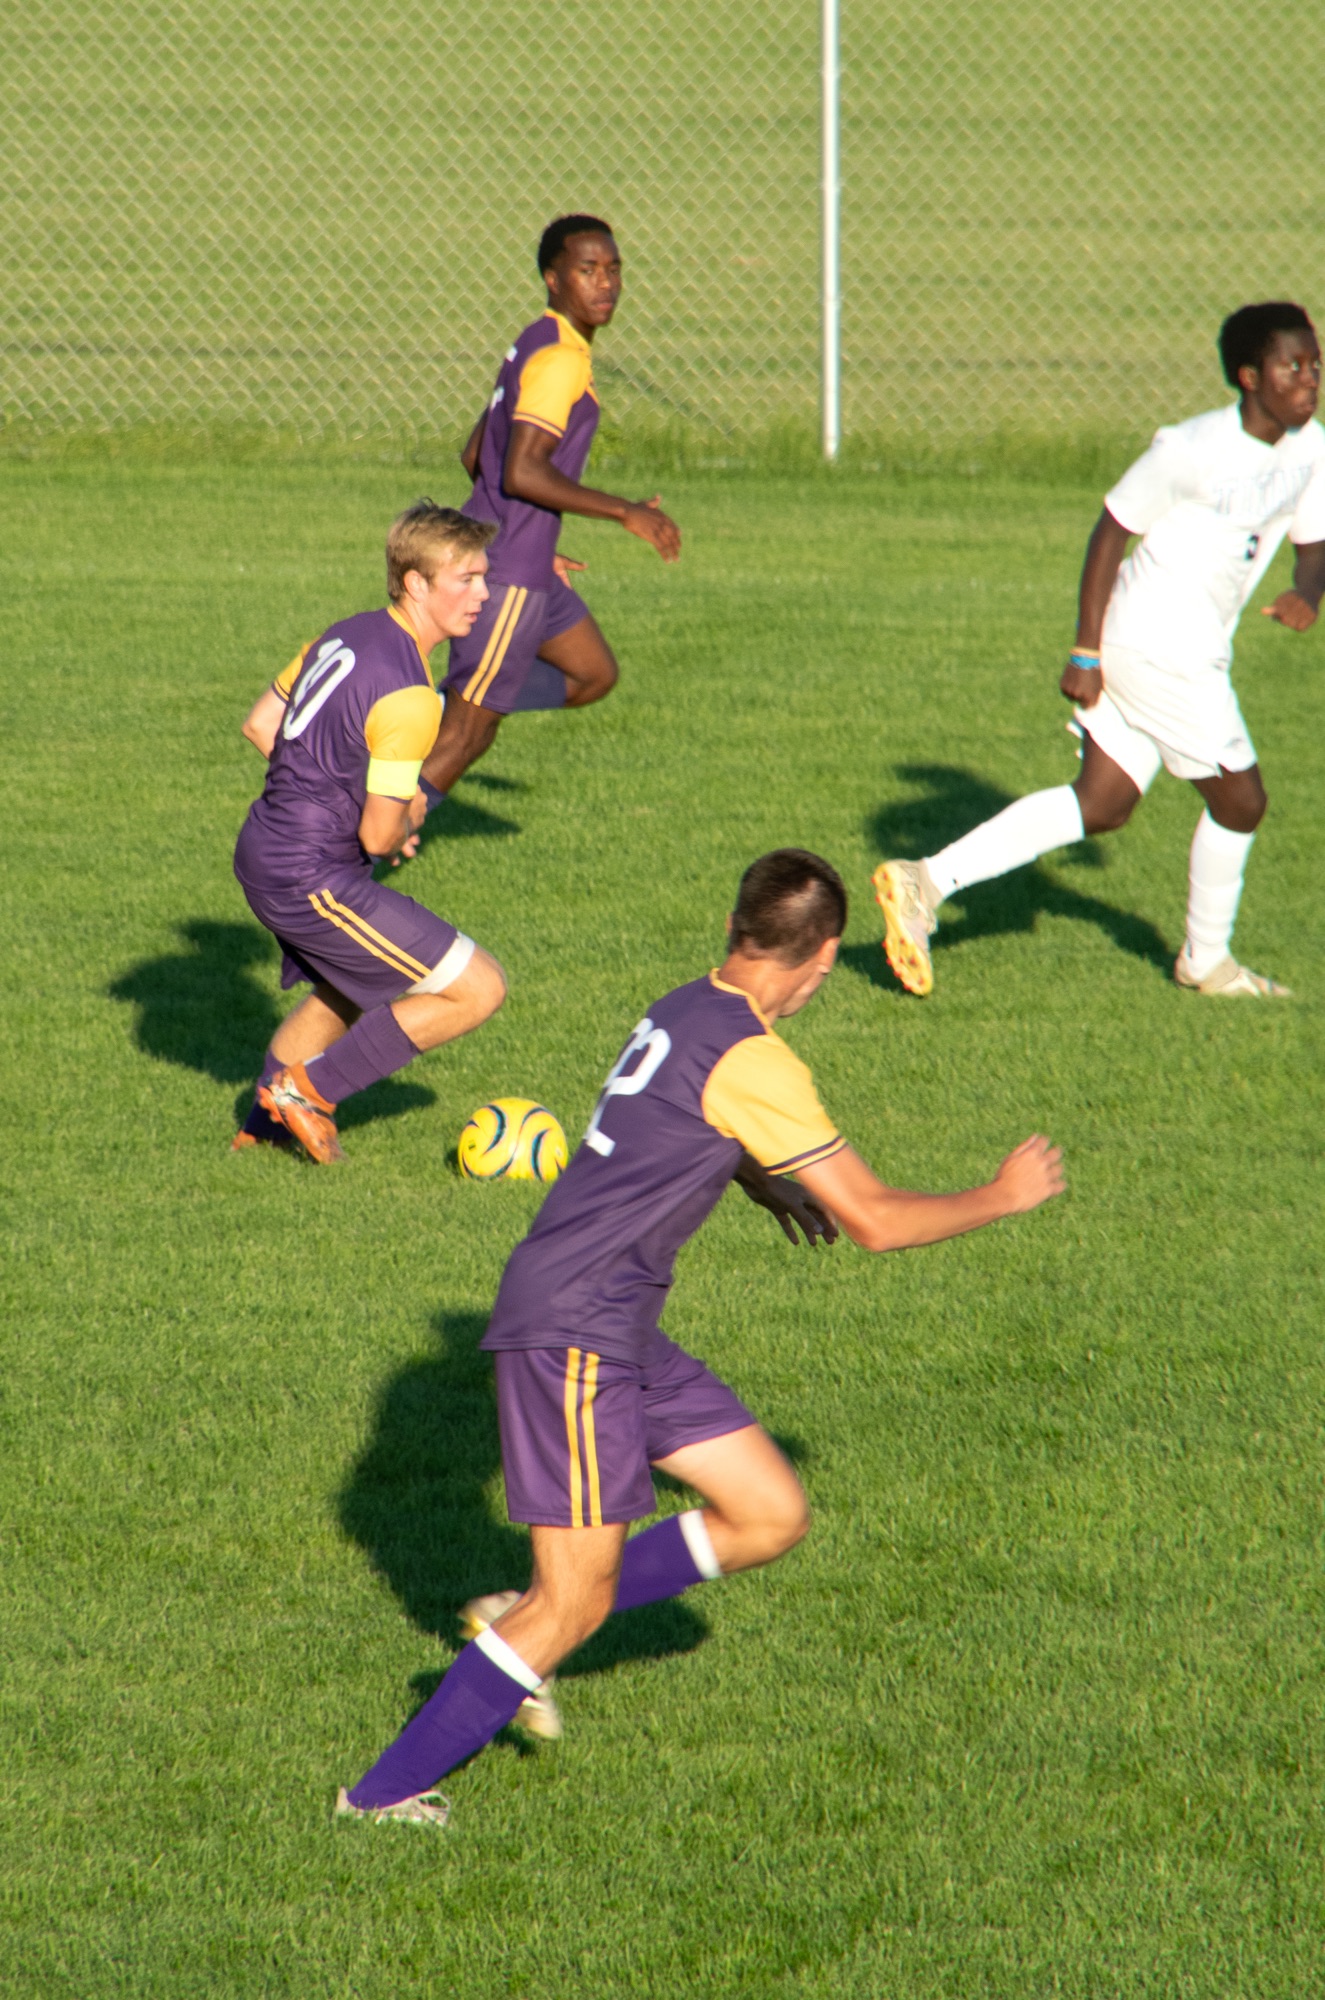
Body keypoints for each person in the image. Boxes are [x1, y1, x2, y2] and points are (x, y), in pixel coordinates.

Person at [336, 849, 1064, 1826]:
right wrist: (1001, 1194)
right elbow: (876, 1218)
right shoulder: (756, 1057)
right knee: (573, 1603)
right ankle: (380, 1792)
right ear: (818, 958)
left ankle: (516, 1620)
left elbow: (663, 1126)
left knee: (766, 1511)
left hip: (613, 1318)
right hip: (577, 1331)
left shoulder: (687, 1003)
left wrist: (758, 1177)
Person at [873, 301, 1325, 1000]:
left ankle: (923, 882)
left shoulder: (1309, 448)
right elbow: (1110, 531)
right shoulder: (1189, 449)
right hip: (1156, 645)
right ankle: (1206, 962)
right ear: (1247, 376)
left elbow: (1312, 542)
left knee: (1102, 802)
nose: (1308, 376)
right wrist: (1085, 651)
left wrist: (1307, 593)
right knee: (1241, 801)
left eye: (1313, 362)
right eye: (1290, 365)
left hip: (1188, 645)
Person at [231, 502, 507, 1162]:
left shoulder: (345, 633)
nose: (483, 594)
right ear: (416, 583)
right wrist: (403, 811)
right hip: (309, 875)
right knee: (478, 989)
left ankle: (265, 1130)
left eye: (483, 577)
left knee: (351, 984)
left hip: (266, 849)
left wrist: (334, 794)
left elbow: (263, 724)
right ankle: (307, 1092)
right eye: (465, 578)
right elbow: (382, 837)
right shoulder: (413, 696)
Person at [415, 213, 681, 820]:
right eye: (587, 270)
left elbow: (476, 453)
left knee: (593, 673)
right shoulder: (560, 360)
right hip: (503, 574)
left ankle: (463, 695)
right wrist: (624, 512)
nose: (605, 283)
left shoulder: (535, 340)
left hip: (518, 561)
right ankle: (352, 859)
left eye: (613, 270)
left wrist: (535, 541)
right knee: (465, 740)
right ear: (552, 278)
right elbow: (521, 471)